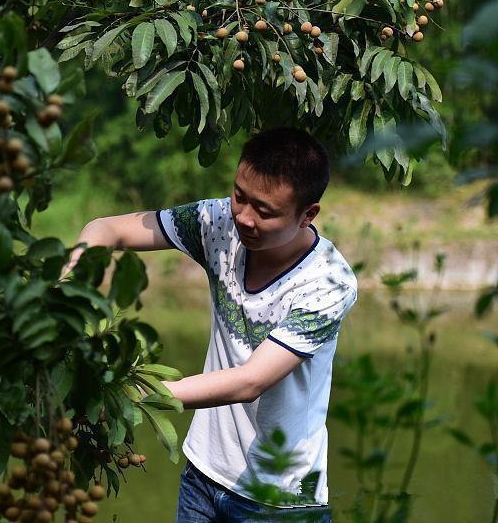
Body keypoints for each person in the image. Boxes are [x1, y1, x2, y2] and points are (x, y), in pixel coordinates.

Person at [61, 127, 357, 522]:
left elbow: (250, 381)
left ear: (308, 215)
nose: (244, 217)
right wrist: (67, 289)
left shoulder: (328, 283)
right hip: (203, 475)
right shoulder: (219, 223)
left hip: (277, 498)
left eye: (264, 211)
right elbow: (107, 228)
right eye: (239, 195)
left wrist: (130, 393)